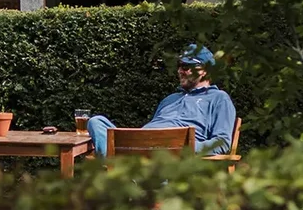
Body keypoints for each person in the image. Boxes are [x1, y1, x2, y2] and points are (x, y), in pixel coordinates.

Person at [85, 44, 237, 158]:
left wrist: (185, 148)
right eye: (179, 66)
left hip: (171, 155)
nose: (179, 71)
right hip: (141, 145)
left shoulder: (219, 98)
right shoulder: (170, 99)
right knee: (96, 121)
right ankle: (124, 174)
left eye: (185, 67)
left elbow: (222, 142)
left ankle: (123, 177)